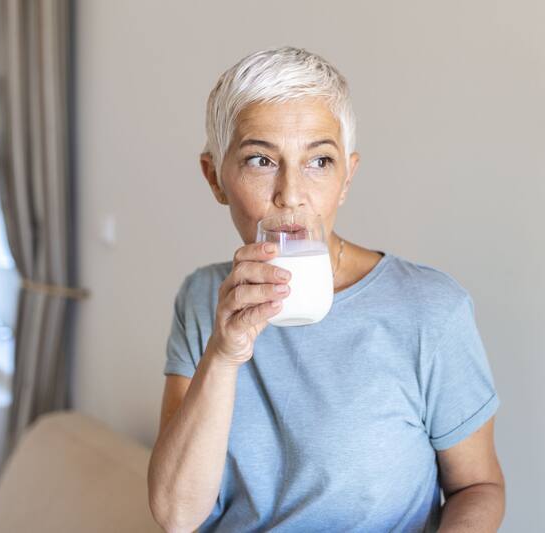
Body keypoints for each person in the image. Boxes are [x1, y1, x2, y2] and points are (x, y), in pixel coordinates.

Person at [147, 46, 505, 533]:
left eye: (319, 161)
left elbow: (478, 488)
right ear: (216, 178)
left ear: (346, 178)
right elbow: (176, 514)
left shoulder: (430, 310)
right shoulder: (201, 297)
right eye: (260, 160)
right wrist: (224, 353)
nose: (291, 194)